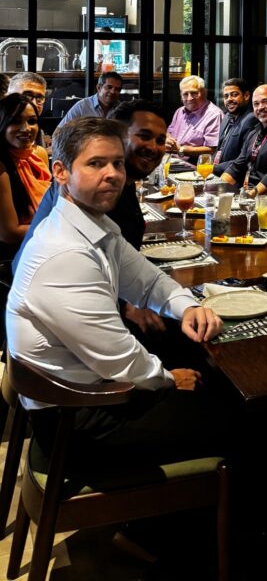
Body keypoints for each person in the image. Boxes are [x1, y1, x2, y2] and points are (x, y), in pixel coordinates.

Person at [7, 116, 224, 464]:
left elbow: (148, 280)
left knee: (211, 383)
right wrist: (167, 379)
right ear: (60, 172)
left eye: (117, 163)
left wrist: (187, 306)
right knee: (233, 415)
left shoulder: (93, 224)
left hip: (94, 392)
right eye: (96, 163)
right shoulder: (64, 253)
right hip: (76, 418)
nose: (113, 174)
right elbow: (119, 358)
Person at [17, 99, 169, 335]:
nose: (154, 147)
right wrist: (126, 307)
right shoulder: (89, 193)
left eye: (160, 140)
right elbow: (65, 274)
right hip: (63, 325)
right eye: (144, 136)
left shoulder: (121, 184)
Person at [0, 94, 51, 250]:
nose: (26, 129)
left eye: (32, 121)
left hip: (44, 243)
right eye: (15, 121)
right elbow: (9, 233)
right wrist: (58, 226)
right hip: (14, 254)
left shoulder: (39, 154)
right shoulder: (1, 166)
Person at [219, 84, 267, 190]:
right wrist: (218, 187)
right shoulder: (254, 132)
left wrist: (252, 194)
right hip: (247, 192)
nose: (260, 107)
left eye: (266, 102)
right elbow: (237, 166)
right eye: (256, 104)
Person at [165, 74, 223, 159]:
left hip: (195, 164)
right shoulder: (179, 111)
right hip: (171, 159)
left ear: (204, 93)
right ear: (181, 96)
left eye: (194, 93)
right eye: (185, 94)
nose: (189, 98)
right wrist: (167, 139)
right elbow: (169, 132)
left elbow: (212, 149)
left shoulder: (214, 115)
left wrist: (181, 149)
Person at [212, 77, 255, 177]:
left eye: (234, 95)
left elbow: (243, 159)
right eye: (226, 96)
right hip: (217, 173)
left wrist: (213, 169)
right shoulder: (227, 116)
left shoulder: (251, 119)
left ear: (246, 96)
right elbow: (219, 150)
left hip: (234, 178)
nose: (229, 99)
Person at [57, 70, 124, 126]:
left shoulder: (122, 110)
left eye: (117, 89)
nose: (113, 91)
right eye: (109, 87)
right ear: (99, 88)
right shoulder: (82, 106)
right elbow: (59, 132)